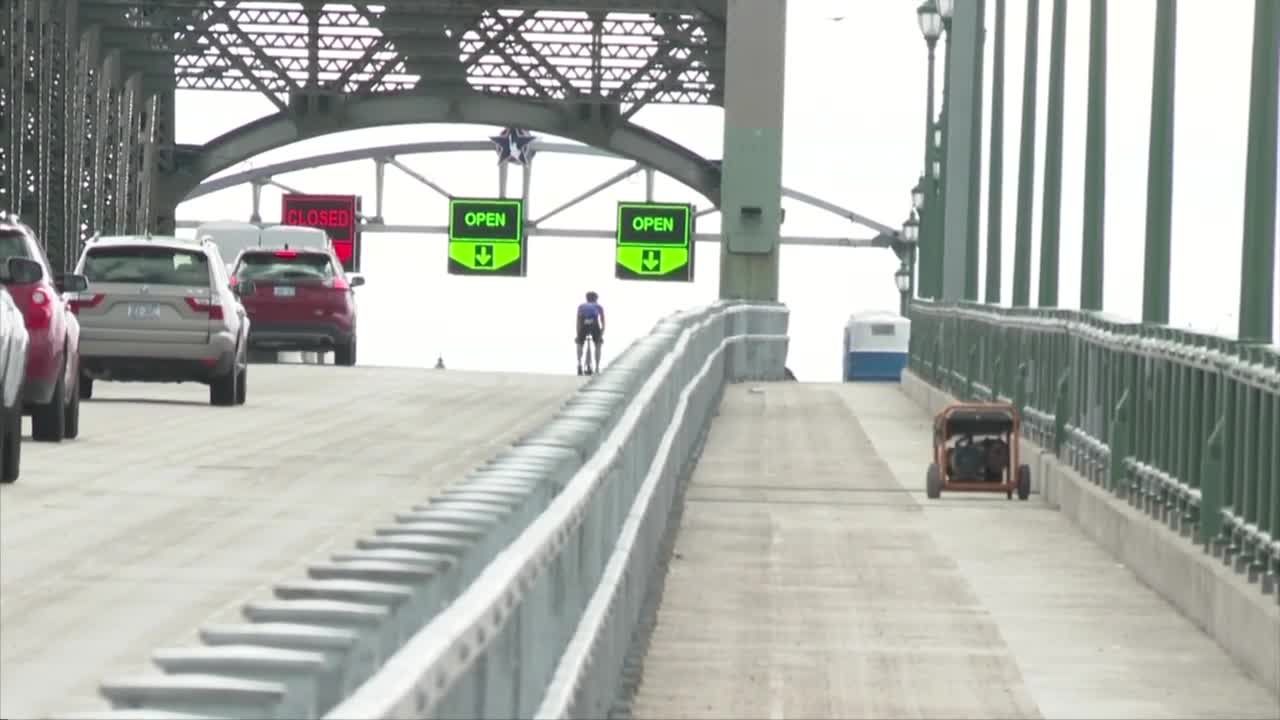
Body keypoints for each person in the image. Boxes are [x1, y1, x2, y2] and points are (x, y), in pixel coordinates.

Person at [575, 291, 605, 375]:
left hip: (584, 324)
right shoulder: (599, 306)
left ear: (586, 298)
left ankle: (579, 364)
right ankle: (597, 368)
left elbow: (578, 322)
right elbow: (602, 321)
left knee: (580, 343)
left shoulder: (581, 306)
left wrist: (578, 335)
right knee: (598, 345)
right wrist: (601, 335)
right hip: (594, 324)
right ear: (596, 299)